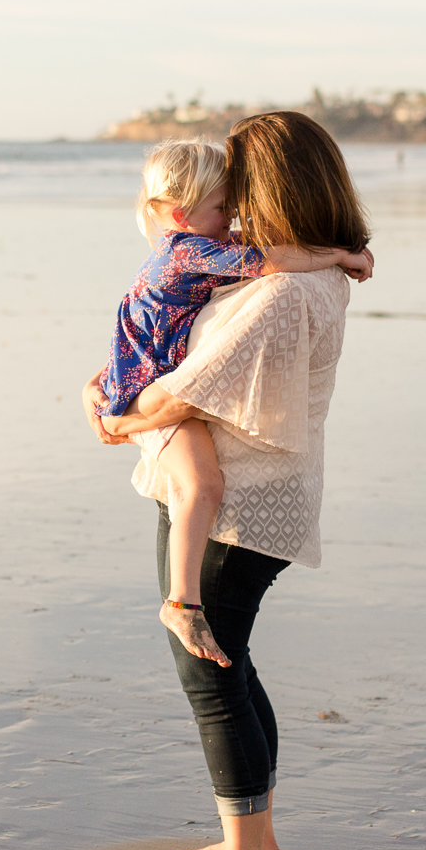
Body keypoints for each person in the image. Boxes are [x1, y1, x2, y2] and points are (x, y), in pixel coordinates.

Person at [83, 111, 373, 850]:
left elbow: (182, 388)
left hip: (240, 508)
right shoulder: (298, 276)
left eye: (242, 186)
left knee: (207, 672)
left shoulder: (279, 291)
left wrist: (116, 414)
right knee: (229, 663)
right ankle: (258, 842)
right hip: (255, 493)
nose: (236, 206)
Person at [93, 141, 370, 670]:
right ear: (181, 214)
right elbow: (271, 261)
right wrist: (340, 254)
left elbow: (275, 256)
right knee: (201, 484)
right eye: (224, 207)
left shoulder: (204, 243)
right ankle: (180, 603)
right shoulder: (186, 249)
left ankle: (181, 601)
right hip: (143, 383)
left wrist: (340, 250)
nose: (235, 217)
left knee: (202, 488)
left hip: (148, 376)